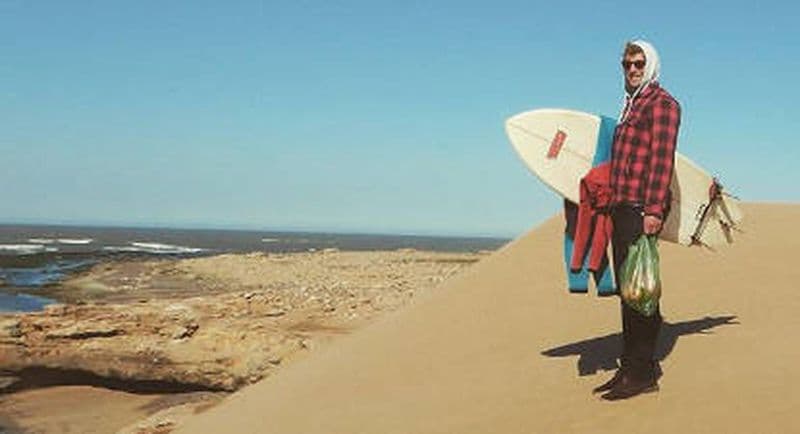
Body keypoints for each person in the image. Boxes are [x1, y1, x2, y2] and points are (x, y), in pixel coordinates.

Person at [594, 40, 681, 400]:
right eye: (627, 64)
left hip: (640, 210)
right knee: (628, 292)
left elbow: (662, 161)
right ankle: (629, 367)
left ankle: (643, 373)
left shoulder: (663, 104)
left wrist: (654, 211)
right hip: (621, 207)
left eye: (639, 63)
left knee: (640, 290)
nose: (632, 69)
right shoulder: (632, 104)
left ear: (651, 65)